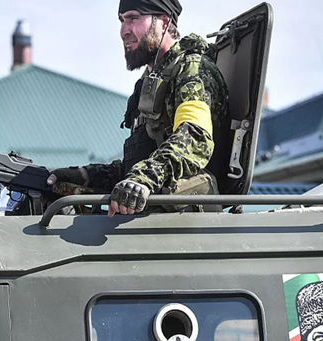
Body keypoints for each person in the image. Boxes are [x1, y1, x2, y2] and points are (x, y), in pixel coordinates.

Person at [47, 0, 228, 217]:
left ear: (164, 21)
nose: (124, 31)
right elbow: (138, 163)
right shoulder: (151, 80)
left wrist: (142, 179)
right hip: (152, 211)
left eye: (133, 18)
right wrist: (86, 175)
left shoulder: (192, 70)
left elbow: (195, 139)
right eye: (122, 21)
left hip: (183, 218)